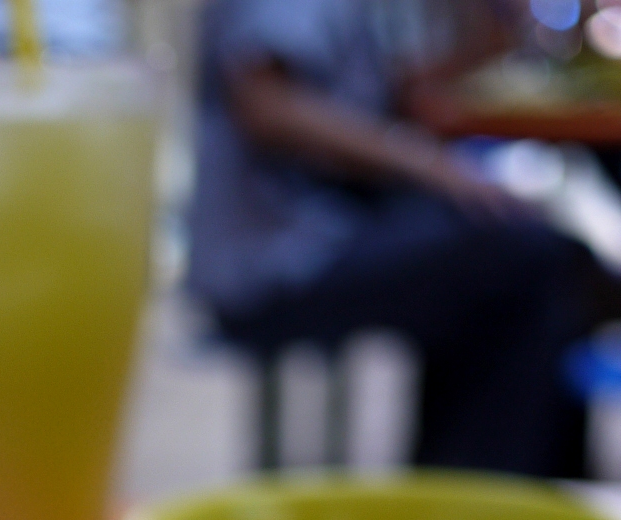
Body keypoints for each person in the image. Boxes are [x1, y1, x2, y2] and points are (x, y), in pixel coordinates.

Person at [186, 0, 604, 474]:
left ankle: (487, 487)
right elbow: (266, 106)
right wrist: (432, 167)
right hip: (280, 259)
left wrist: (488, 35)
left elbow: (399, 96)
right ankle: (483, 494)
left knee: (529, 259)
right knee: (528, 259)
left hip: (338, 233)